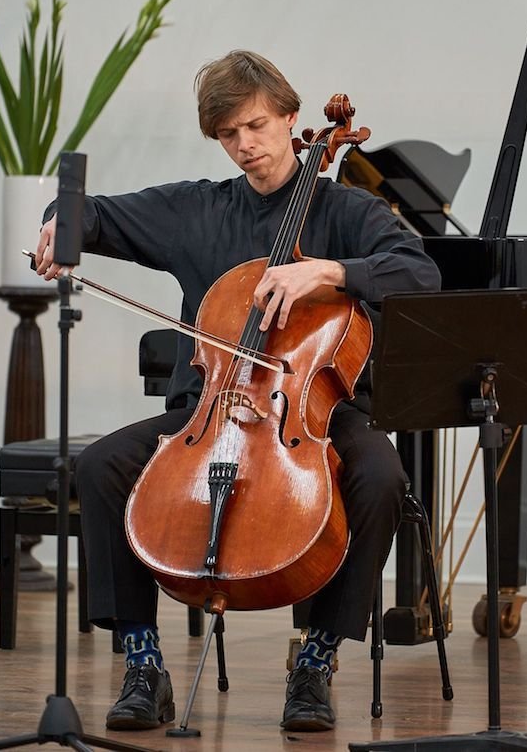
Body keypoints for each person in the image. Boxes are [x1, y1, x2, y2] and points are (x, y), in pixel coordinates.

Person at [35, 49, 441, 733]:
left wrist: (328, 274)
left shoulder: (347, 211)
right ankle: (143, 663)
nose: (245, 145)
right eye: (228, 134)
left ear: (289, 117)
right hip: (211, 410)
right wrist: (60, 223)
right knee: (101, 465)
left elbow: (419, 273)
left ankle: (315, 661)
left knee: (381, 476)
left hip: (318, 414)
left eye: (256, 126)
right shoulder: (198, 209)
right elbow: (92, 212)